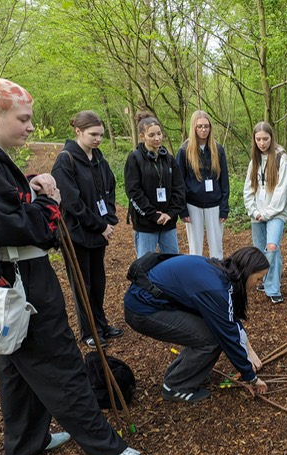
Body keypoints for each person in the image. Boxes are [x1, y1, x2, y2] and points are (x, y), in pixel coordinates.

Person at [0, 78, 149, 455]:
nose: (32, 127)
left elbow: (7, 207)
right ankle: (105, 446)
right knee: (61, 362)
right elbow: (17, 226)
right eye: (23, 119)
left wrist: (29, 189)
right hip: (22, 280)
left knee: (15, 361)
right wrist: (47, 202)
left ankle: (26, 441)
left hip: (13, 277)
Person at [123, 247, 270, 401]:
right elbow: (227, 336)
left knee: (210, 333)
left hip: (148, 301)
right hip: (143, 310)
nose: (259, 283)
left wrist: (249, 351)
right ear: (246, 272)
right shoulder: (216, 288)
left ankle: (187, 374)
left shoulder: (220, 272)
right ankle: (176, 386)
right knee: (212, 339)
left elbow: (229, 318)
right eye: (259, 278)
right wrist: (251, 377)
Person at [52, 111, 124, 349]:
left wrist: (109, 218)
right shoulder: (66, 160)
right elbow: (72, 203)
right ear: (78, 132)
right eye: (93, 134)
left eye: (101, 135)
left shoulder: (99, 159)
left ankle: (101, 325)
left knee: (98, 282)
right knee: (83, 285)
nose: (98, 139)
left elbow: (109, 189)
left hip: (97, 233)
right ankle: (89, 331)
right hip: (76, 235)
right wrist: (100, 225)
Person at [124, 112, 187, 258]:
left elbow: (179, 188)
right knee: (145, 265)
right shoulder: (134, 158)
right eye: (151, 135)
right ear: (142, 136)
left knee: (172, 263)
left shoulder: (169, 159)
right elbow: (133, 191)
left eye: (159, 133)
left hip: (168, 222)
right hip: (146, 224)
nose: (157, 138)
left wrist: (170, 214)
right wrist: (153, 214)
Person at [243, 122, 287, 304]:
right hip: (257, 213)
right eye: (258, 139)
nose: (262, 143)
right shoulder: (254, 162)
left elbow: (282, 191)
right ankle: (263, 279)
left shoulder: (281, 160)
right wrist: (254, 211)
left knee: (272, 247)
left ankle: (273, 287)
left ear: (271, 138)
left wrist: (268, 213)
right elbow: (248, 190)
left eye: (265, 139)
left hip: (277, 213)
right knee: (260, 250)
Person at [176, 110, 229, 259]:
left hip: (215, 204)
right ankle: (194, 278)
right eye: (200, 126)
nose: (203, 130)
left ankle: (218, 277)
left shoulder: (217, 149)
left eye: (206, 126)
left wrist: (224, 207)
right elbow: (179, 182)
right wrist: (183, 209)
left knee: (217, 248)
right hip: (193, 204)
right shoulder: (184, 150)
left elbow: (224, 180)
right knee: (195, 248)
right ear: (193, 127)